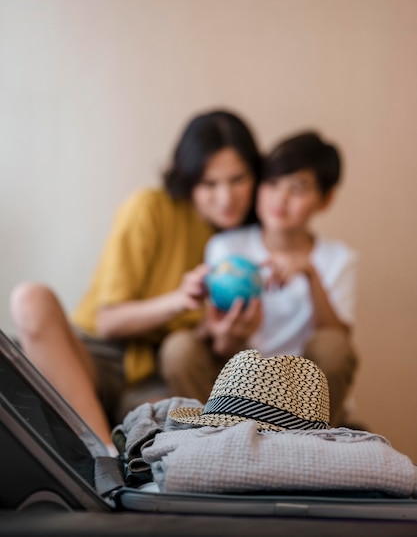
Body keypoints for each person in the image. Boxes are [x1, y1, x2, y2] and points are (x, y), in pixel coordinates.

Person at [10, 109, 263, 451]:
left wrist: (219, 335)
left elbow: (192, 348)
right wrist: (179, 299)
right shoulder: (151, 207)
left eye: (238, 179)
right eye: (209, 183)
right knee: (30, 299)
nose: (226, 197)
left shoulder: (251, 244)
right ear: (188, 179)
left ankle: (116, 456)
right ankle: (104, 455)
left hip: (156, 372)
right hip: (100, 354)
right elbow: (107, 320)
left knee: (170, 411)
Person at [201, 130, 359, 427]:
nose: (280, 199)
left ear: (325, 200)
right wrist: (227, 338)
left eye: (298, 189)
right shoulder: (226, 247)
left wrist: (311, 274)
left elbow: (340, 345)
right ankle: (207, 436)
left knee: (333, 345)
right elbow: (213, 334)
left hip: (304, 393)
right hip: (239, 380)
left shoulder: (338, 258)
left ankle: (314, 440)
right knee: (180, 348)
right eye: (272, 184)